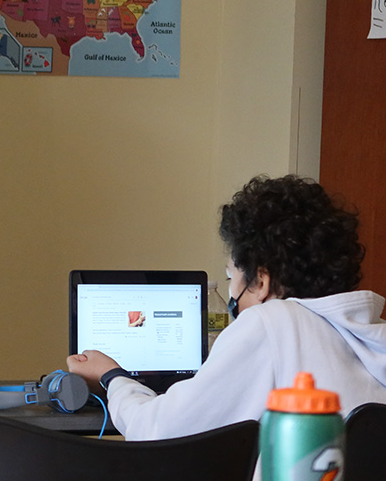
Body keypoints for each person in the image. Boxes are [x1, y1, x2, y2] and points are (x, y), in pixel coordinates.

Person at [67, 174, 386, 440]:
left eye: (230, 276)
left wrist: (111, 376)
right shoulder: (374, 335)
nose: (233, 289)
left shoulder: (272, 322)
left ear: (260, 282)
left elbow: (159, 431)